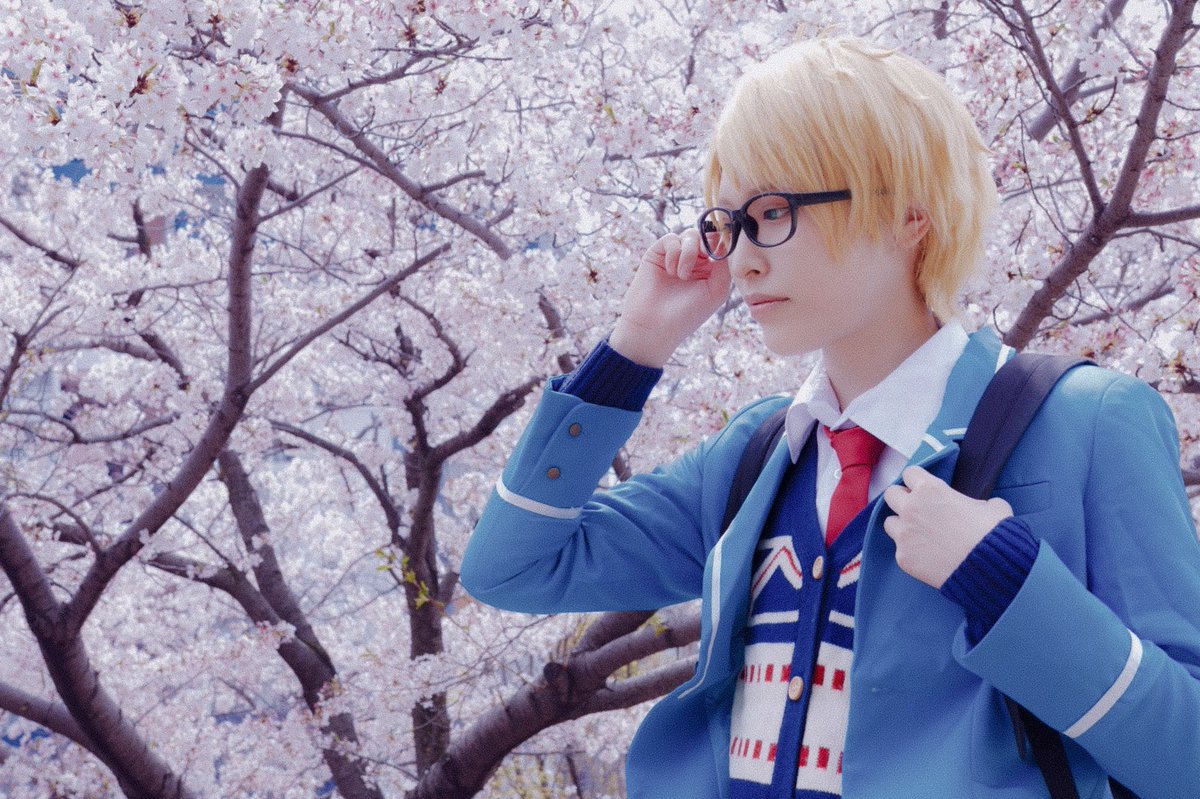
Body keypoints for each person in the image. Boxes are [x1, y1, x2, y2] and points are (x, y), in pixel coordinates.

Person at [460, 35, 1200, 798]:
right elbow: (511, 566)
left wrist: (1006, 582)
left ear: (908, 214)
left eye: (773, 212)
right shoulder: (754, 460)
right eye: (731, 222)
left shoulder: (1087, 425)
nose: (743, 258)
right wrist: (633, 349)